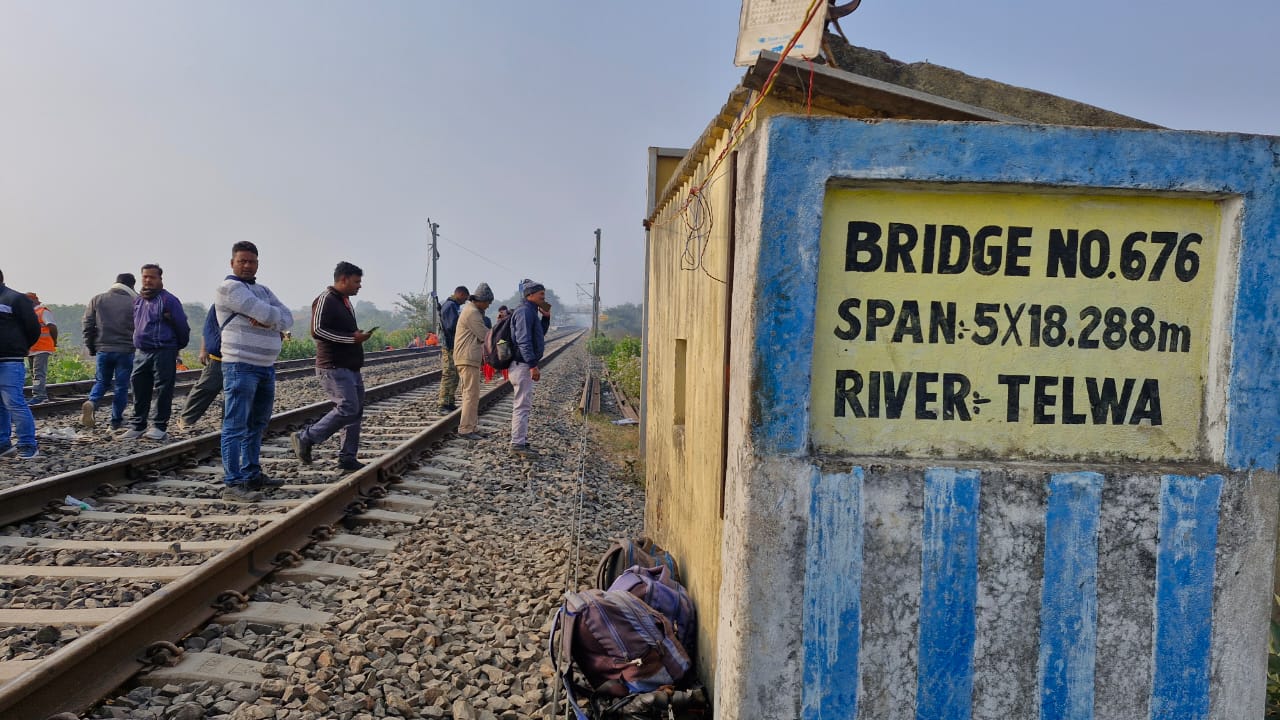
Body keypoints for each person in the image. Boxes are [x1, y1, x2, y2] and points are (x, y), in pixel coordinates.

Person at [217, 241, 293, 502]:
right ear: (232, 263)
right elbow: (269, 314)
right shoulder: (229, 288)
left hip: (265, 367)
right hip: (240, 364)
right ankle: (233, 483)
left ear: (258, 263)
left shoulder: (262, 289)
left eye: (252, 261)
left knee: (257, 424)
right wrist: (271, 319)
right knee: (235, 425)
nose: (248, 265)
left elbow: (287, 318)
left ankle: (251, 474)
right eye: (242, 261)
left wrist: (267, 318)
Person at [292, 262, 372, 472]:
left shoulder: (345, 301)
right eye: (356, 281)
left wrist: (355, 336)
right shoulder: (325, 299)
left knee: (355, 412)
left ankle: (347, 457)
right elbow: (317, 330)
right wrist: (351, 339)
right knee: (348, 408)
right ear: (343, 279)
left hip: (351, 366)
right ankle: (306, 437)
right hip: (333, 366)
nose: (359, 286)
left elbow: (342, 332)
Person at [122, 264, 190, 442]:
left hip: (163, 350)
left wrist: (177, 346)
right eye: (145, 277)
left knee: (163, 389)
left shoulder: (169, 300)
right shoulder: (139, 300)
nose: (148, 280)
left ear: (160, 279)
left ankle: (159, 426)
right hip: (142, 351)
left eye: (152, 277)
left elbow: (182, 326)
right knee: (139, 387)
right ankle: (138, 425)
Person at [81, 273, 137, 430]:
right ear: (132, 285)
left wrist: (92, 346)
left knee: (102, 381)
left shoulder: (97, 299)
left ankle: (91, 402)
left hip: (103, 349)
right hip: (126, 350)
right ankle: (115, 421)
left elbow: (87, 325)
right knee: (121, 386)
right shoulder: (135, 301)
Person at [0, 270, 41, 460]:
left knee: (14, 403)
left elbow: (33, 329)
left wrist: (18, 347)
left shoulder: (15, 299)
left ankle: (27, 445)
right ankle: (3, 445)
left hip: (10, 360)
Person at [509, 279, 550, 456]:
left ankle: (521, 441)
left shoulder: (530, 311)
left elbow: (538, 334)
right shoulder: (525, 311)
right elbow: (524, 341)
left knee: (524, 404)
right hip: (522, 364)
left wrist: (546, 319)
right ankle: (517, 444)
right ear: (530, 295)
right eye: (541, 294)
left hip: (524, 364)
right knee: (522, 405)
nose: (544, 298)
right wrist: (533, 365)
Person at [453, 283, 494, 441]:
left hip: (468, 358)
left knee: (472, 394)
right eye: (487, 302)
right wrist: (502, 340)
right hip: (467, 358)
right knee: (470, 394)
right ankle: (465, 429)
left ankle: (472, 426)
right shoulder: (472, 313)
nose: (488, 305)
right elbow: (485, 335)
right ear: (480, 300)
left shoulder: (472, 310)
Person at [176, 306, 223, 431]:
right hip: (219, 358)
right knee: (205, 388)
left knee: (236, 394)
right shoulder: (218, 304)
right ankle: (186, 419)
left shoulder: (254, 302)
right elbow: (209, 329)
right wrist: (204, 350)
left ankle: (229, 424)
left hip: (243, 359)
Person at [436, 285, 467, 412]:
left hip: (453, 345)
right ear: (460, 294)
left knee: (454, 375)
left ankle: (449, 401)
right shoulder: (450, 306)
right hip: (449, 346)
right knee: (449, 374)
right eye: (465, 298)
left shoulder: (453, 306)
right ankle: (443, 403)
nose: (465, 301)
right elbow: (452, 327)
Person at [24, 293, 57, 404]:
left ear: (33, 301)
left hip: (42, 348)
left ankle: (40, 396)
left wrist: (54, 341)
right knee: (34, 373)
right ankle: (39, 394)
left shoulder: (43, 311)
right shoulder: (31, 313)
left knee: (38, 373)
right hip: (32, 349)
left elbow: (52, 326)